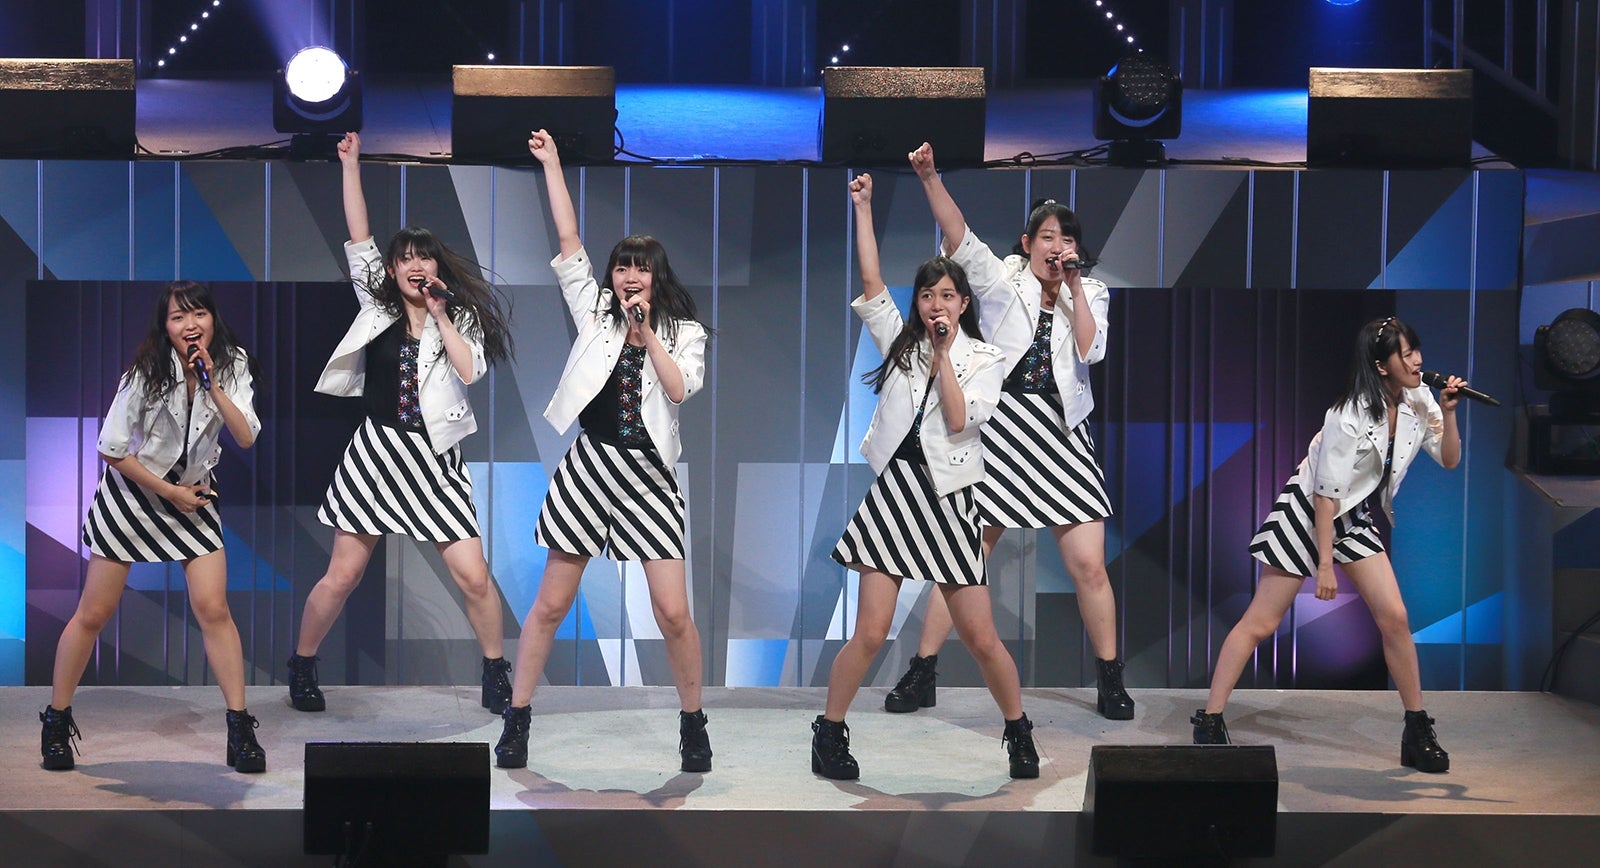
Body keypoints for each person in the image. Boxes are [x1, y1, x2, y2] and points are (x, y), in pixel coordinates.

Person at [495, 130, 712, 773]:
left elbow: (679, 389)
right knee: (552, 604)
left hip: (649, 477)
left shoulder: (684, 331)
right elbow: (568, 242)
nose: (628, 276)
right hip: (589, 467)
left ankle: (693, 723)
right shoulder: (594, 314)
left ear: (657, 277)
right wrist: (552, 164)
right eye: (621, 266)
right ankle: (518, 718)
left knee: (673, 611)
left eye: (640, 268)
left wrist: (649, 337)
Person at [810, 172, 1038, 781]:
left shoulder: (985, 359)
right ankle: (828, 732)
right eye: (927, 296)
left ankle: (1018, 731)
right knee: (870, 632)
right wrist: (863, 208)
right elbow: (870, 282)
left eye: (947, 296)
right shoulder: (901, 343)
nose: (936, 305)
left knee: (982, 638)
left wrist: (942, 356)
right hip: (895, 497)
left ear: (964, 304)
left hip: (951, 500)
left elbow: (960, 421)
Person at [901, 142, 1133, 720]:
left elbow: (1092, 351)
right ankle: (922, 671)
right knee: (961, 557)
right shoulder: (1002, 280)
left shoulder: (1092, 292)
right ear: (1027, 244)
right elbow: (959, 236)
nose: (1058, 246)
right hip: (1000, 428)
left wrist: (1074, 288)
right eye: (1047, 237)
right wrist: (929, 177)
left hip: (1061, 433)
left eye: (1066, 238)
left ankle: (1110, 679)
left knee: (1089, 565)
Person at [287, 131, 515, 715]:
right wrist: (350, 165)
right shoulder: (378, 306)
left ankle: (495, 671)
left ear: (437, 266)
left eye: (424, 256)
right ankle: (303, 664)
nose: (416, 265)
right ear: (392, 269)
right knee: (343, 575)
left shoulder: (458, 314)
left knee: (473, 576)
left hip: (436, 458)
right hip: (376, 454)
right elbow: (358, 235)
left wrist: (442, 315)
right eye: (405, 258)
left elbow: (470, 370)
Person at [1192, 316, 1461, 774]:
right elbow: (1324, 494)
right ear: (1381, 366)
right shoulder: (1347, 414)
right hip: (1306, 514)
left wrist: (1449, 413)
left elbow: (1449, 459)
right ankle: (1210, 718)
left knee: (1395, 618)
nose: (1417, 361)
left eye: (1416, 350)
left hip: (1353, 516)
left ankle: (1417, 729)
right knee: (1261, 622)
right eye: (1406, 354)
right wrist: (1323, 565)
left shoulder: (1419, 399)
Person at [40, 281, 265, 773]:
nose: (190, 325)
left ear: (212, 319)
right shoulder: (145, 371)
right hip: (135, 497)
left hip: (194, 497)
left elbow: (246, 436)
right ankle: (56, 720)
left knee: (214, 608)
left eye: (198, 314)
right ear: (165, 328)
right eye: (178, 317)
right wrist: (170, 493)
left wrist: (213, 385)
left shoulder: (231, 364)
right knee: (93, 614)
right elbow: (111, 449)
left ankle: (239, 727)